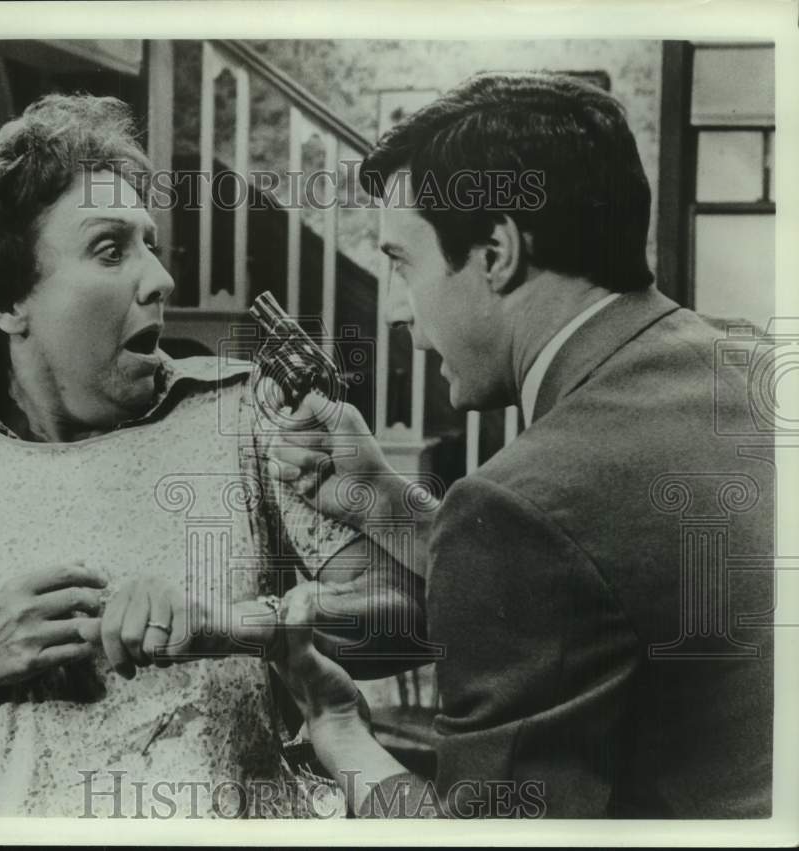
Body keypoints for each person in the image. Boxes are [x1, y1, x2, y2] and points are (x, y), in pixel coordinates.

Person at [0, 94, 423, 818]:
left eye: (150, 244)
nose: (160, 279)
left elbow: (412, 619)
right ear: (9, 301)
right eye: (111, 248)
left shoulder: (244, 414)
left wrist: (230, 623)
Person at [264, 72, 774, 818]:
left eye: (402, 263)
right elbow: (587, 574)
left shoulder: (518, 504)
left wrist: (340, 730)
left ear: (496, 252)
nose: (403, 311)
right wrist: (379, 498)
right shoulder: (750, 368)